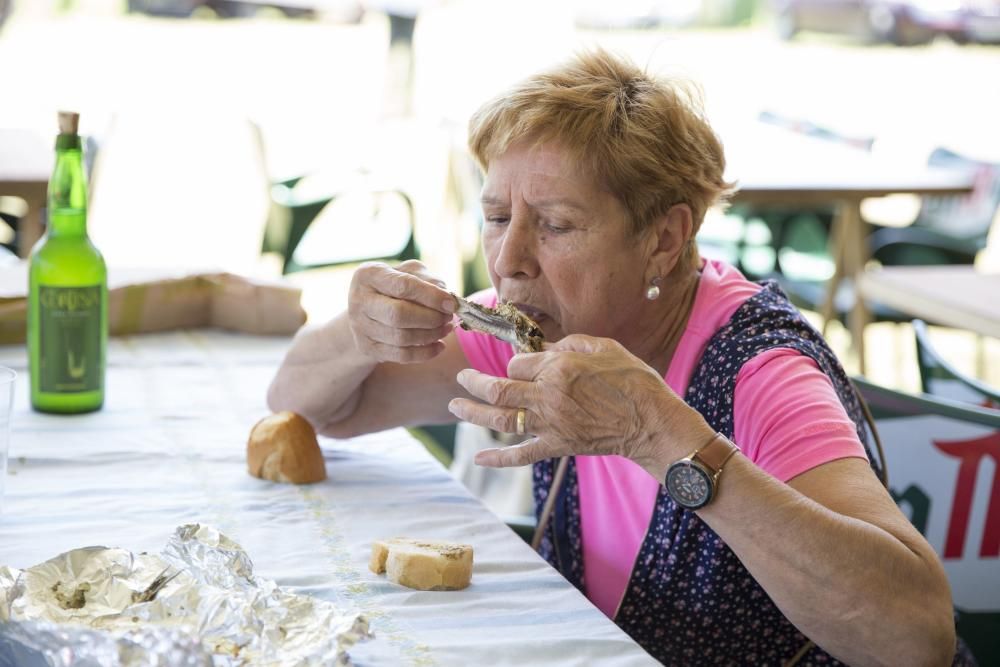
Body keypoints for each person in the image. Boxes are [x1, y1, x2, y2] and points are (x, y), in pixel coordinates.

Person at [268, 49, 966, 665]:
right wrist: (357, 332)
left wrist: (661, 438)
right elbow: (315, 407)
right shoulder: (531, 327)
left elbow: (914, 638)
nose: (509, 261)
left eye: (555, 225)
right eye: (499, 216)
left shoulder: (760, 368)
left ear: (663, 239)